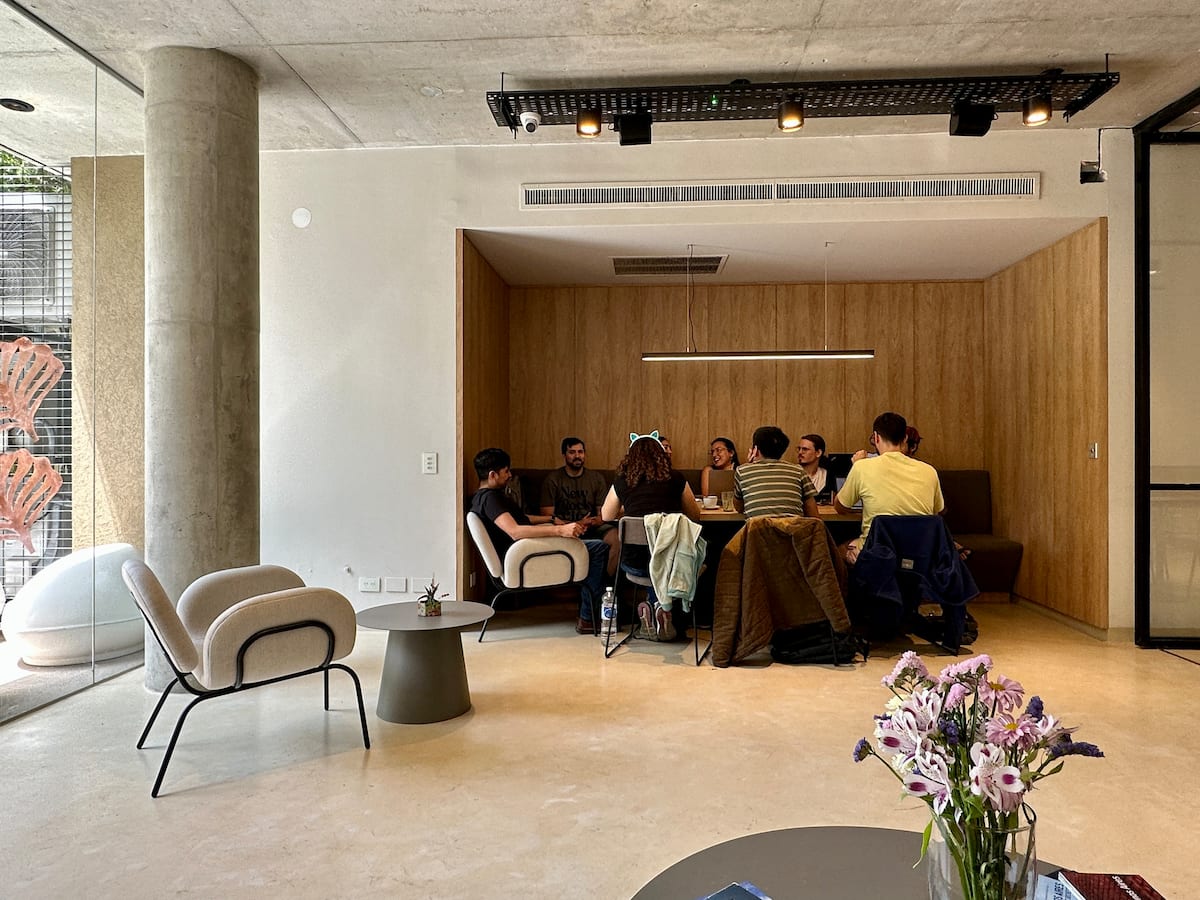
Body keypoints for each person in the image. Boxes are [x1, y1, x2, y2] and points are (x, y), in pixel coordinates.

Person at [470, 447, 608, 634]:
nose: (510, 475)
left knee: (593, 545)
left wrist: (552, 520)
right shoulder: (490, 500)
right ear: (492, 475)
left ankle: (596, 609)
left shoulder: (483, 498)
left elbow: (521, 519)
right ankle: (589, 617)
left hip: (525, 551)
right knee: (599, 548)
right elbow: (515, 531)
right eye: (506, 471)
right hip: (524, 556)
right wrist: (560, 531)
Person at [601, 433, 702, 640]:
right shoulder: (676, 478)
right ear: (661, 454)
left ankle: (654, 607)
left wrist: (629, 510)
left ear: (630, 456)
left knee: (652, 561)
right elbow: (694, 514)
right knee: (690, 558)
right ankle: (662, 609)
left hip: (634, 564)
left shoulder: (623, 481)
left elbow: (606, 515)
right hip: (674, 564)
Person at [835, 412, 944, 564]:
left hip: (877, 553)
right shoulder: (929, 471)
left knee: (839, 550)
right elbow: (937, 512)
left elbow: (840, 507)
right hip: (919, 554)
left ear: (876, 437)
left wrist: (856, 466)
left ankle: (862, 579)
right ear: (905, 438)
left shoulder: (862, 467)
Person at [539, 436, 618, 576]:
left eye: (580, 452)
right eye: (572, 452)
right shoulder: (553, 480)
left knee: (616, 537)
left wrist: (591, 522)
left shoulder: (596, 478)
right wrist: (575, 524)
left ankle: (607, 583)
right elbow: (547, 515)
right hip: (563, 528)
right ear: (564, 455)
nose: (577, 456)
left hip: (591, 526)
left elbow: (603, 514)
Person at [734, 425, 819, 518]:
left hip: (758, 527)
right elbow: (813, 514)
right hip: (792, 527)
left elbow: (739, 508)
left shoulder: (742, 471)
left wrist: (750, 465)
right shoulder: (798, 471)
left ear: (755, 449)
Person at [795, 433, 834, 503]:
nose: (800, 452)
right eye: (799, 449)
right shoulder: (793, 473)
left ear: (818, 453)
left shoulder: (828, 475)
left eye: (805, 449)